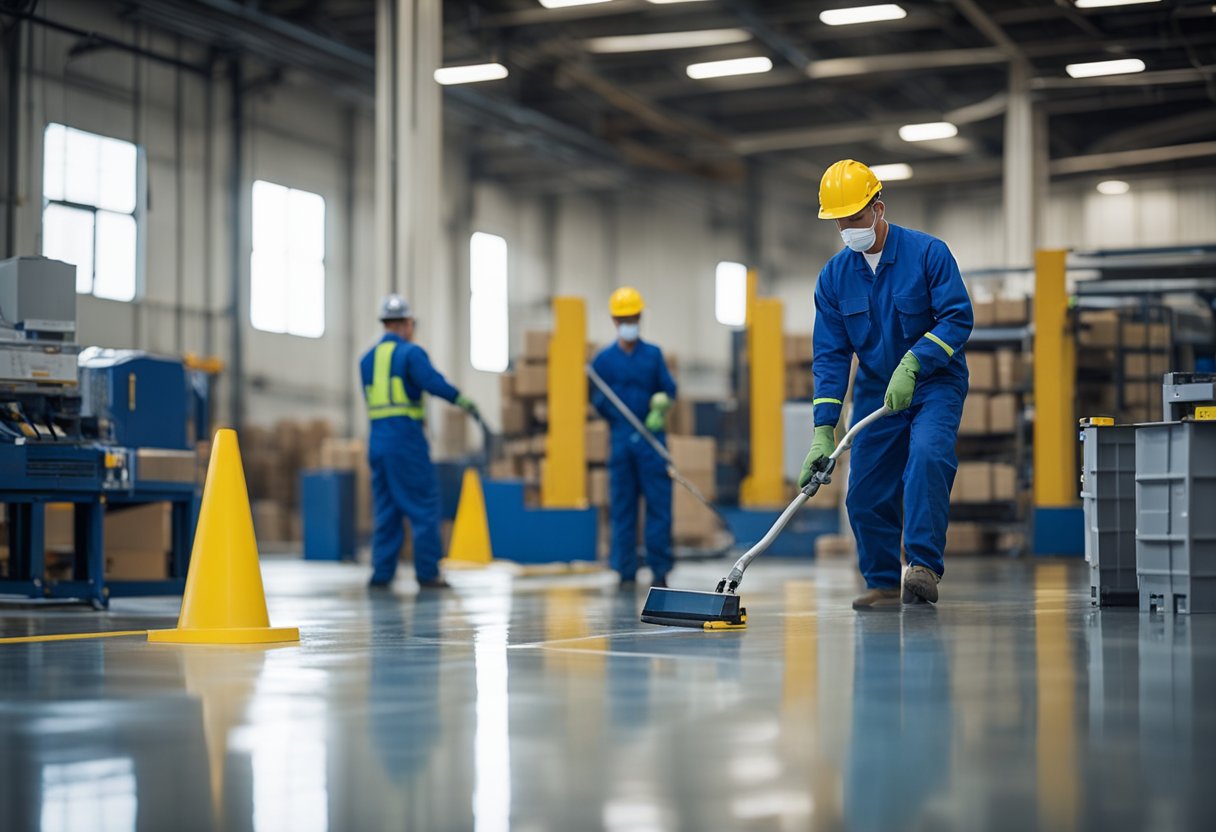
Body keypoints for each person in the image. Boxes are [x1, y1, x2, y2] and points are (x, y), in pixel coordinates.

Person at [800, 160, 973, 610]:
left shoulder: (928, 254)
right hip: (879, 388)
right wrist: (824, 429)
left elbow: (958, 318)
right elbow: (832, 355)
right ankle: (880, 581)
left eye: (855, 218)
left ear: (879, 209)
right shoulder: (834, 278)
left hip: (935, 381)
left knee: (927, 457)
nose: (847, 228)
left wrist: (917, 359)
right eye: (839, 221)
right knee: (865, 489)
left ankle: (920, 567)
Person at [360, 294, 479, 589]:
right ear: (406, 323)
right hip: (406, 441)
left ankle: (381, 574)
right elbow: (433, 382)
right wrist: (459, 398)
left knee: (386, 509)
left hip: (377, 442)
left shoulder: (366, 360)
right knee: (423, 506)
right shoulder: (411, 354)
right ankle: (427, 573)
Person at [591, 287, 677, 589]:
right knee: (623, 508)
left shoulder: (652, 355)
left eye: (634, 317)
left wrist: (661, 405)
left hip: (652, 441)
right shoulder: (602, 362)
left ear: (640, 317)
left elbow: (669, 389)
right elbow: (597, 401)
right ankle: (625, 570)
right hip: (621, 443)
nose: (629, 322)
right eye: (624, 318)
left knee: (658, 507)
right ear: (615, 321)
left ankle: (660, 569)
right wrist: (616, 419)